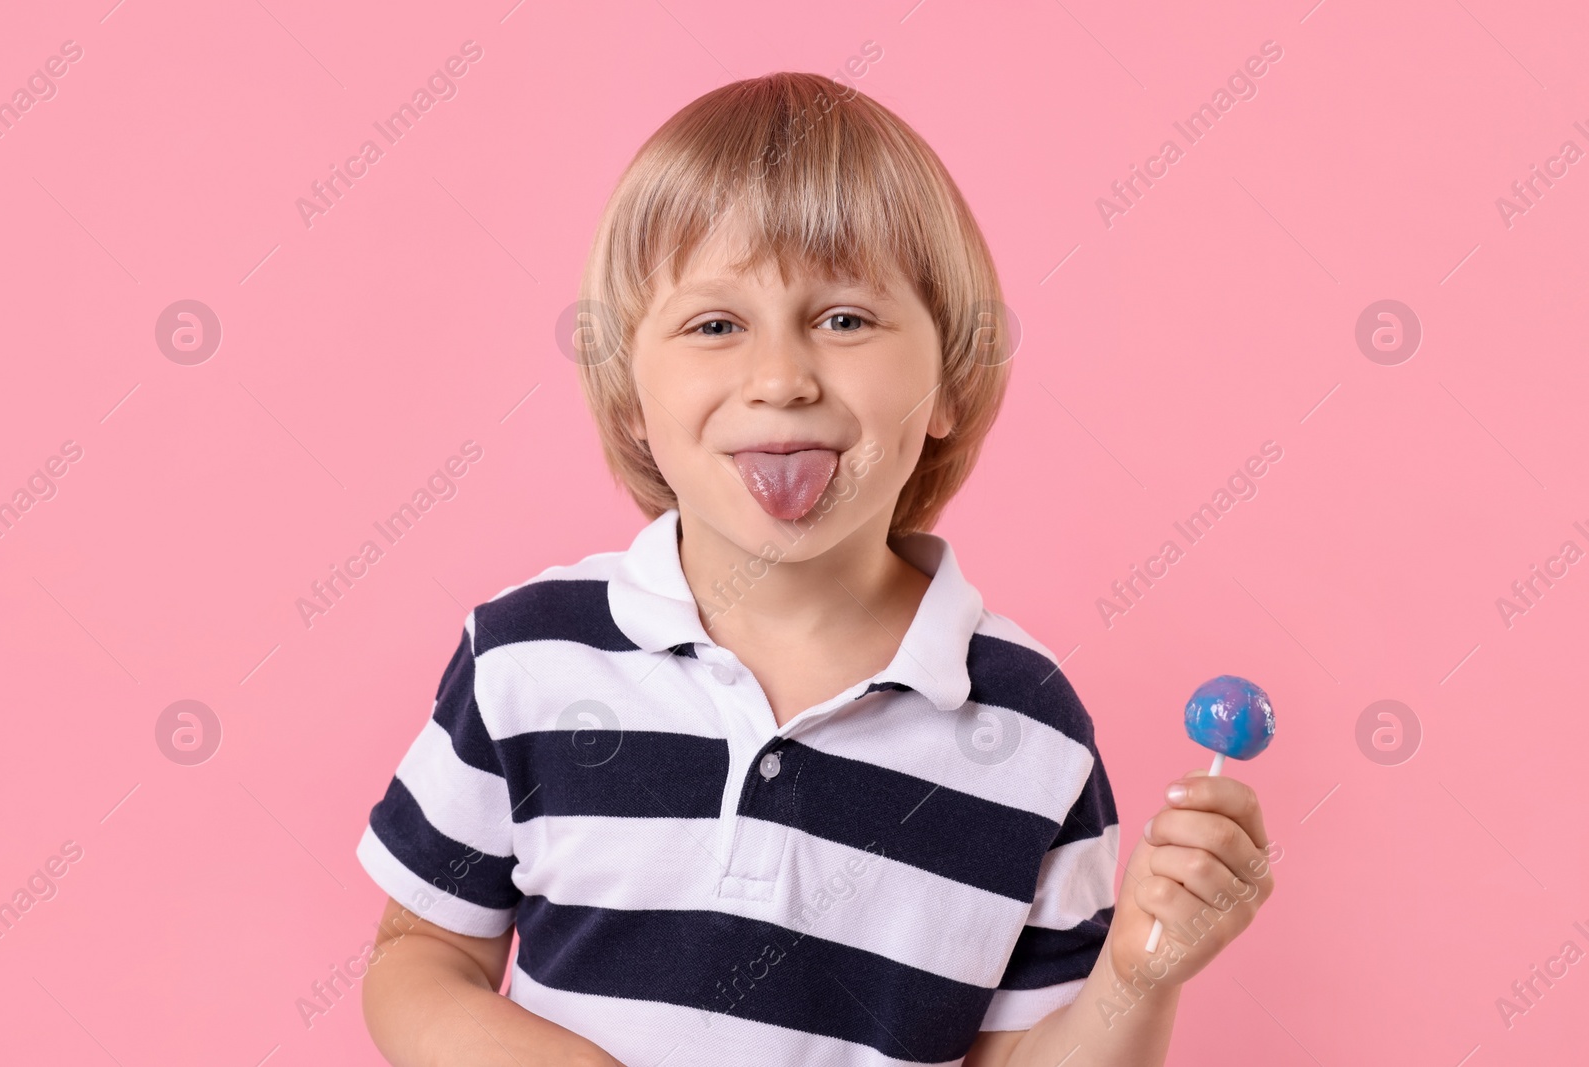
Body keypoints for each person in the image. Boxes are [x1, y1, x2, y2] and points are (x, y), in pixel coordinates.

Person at [355, 70, 1274, 1067]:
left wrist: (1137, 979)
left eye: (843, 319)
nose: (782, 378)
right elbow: (421, 952)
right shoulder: (526, 657)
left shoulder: (1027, 730)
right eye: (715, 324)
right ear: (628, 394)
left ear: (948, 385)